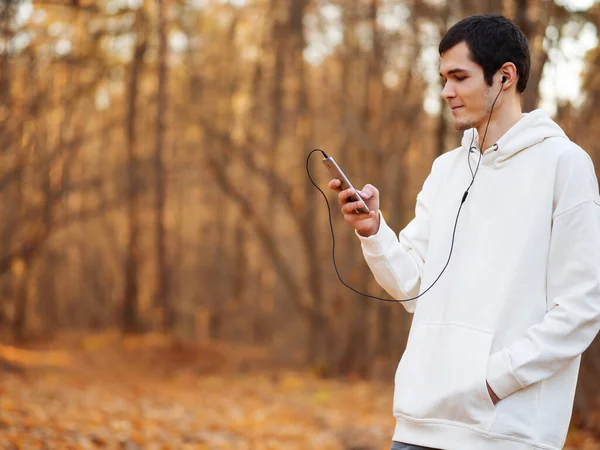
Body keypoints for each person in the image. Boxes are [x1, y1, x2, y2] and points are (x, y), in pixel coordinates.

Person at [328, 14, 600, 450]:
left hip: (507, 431)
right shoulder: (446, 170)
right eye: (443, 78)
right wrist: (374, 232)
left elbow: (580, 309)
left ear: (505, 76)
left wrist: (492, 382)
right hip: (419, 423)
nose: (446, 91)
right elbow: (414, 286)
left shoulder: (563, 165)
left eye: (459, 77)